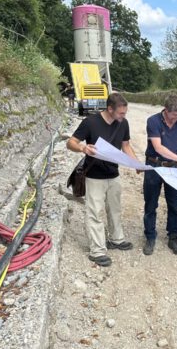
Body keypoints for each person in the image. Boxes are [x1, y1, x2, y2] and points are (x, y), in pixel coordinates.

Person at [66, 93, 137, 267]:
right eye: (120, 113)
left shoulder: (123, 123)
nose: (123, 116)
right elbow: (71, 142)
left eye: (125, 113)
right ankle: (97, 250)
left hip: (113, 175)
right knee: (95, 212)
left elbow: (126, 145)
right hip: (94, 176)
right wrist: (83, 148)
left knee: (115, 209)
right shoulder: (91, 122)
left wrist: (136, 164)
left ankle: (116, 239)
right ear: (110, 109)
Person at [142, 95, 177, 256]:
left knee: (174, 204)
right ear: (166, 110)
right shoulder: (153, 121)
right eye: (174, 115)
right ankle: (150, 236)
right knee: (150, 203)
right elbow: (158, 147)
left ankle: (174, 237)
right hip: (154, 166)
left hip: (173, 169)